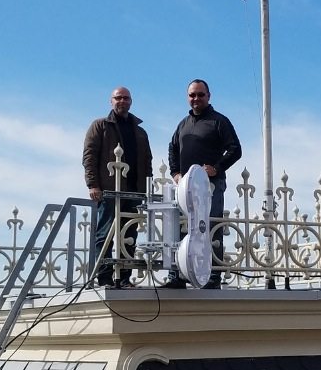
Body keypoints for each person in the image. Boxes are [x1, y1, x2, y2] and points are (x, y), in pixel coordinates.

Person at [163, 79, 242, 290]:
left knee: (209, 227)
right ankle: (177, 276)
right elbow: (172, 148)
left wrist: (216, 168)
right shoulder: (183, 124)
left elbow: (235, 149)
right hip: (185, 188)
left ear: (209, 96)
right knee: (179, 229)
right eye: (192, 95)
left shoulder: (219, 121)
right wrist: (176, 172)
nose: (196, 98)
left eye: (200, 94)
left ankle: (213, 276)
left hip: (210, 186)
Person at [83, 86, 152, 288]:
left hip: (134, 191)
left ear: (131, 102)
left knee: (129, 235)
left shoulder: (140, 132)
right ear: (111, 101)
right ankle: (104, 278)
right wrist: (93, 184)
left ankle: (124, 278)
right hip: (108, 190)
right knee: (104, 235)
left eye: (126, 98)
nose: (122, 101)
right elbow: (89, 156)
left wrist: (146, 187)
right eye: (118, 98)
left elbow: (147, 160)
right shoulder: (100, 126)